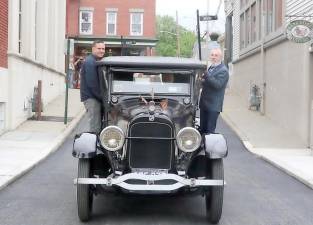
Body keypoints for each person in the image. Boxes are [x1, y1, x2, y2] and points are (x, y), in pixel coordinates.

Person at [199, 48, 229, 134]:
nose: (213, 57)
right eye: (212, 55)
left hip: (213, 106)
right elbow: (207, 83)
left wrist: (206, 75)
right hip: (204, 104)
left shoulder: (223, 70)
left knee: (209, 131)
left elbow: (217, 85)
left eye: (216, 55)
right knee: (202, 129)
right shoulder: (211, 67)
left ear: (220, 57)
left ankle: (209, 147)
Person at [80, 40, 106, 133]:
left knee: (99, 124)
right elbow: (92, 84)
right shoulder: (90, 62)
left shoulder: (96, 61)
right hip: (92, 98)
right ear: (93, 49)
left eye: (103, 49)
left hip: (94, 97)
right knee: (95, 126)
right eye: (99, 48)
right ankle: (94, 145)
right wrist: (103, 98)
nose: (101, 51)